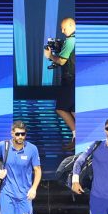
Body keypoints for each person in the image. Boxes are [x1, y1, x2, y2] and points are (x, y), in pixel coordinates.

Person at [44, 17, 76, 147]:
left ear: (71, 25)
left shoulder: (70, 41)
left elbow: (61, 61)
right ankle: (78, 137)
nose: (62, 31)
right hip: (75, 79)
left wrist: (50, 56)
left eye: (64, 28)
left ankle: (77, 135)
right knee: (73, 110)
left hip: (70, 80)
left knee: (61, 108)